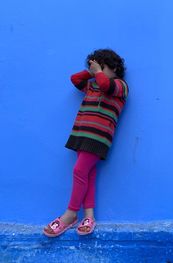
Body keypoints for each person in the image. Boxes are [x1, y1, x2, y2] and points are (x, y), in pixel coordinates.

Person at [43, 48, 129, 237]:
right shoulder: (93, 85)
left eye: (102, 66)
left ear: (114, 68)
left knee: (79, 171)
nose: (97, 71)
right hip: (81, 134)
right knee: (88, 174)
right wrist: (92, 71)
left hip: (98, 138)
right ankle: (89, 216)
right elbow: (75, 79)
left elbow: (106, 85)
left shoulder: (120, 86)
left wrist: (98, 73)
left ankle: (70, 214)